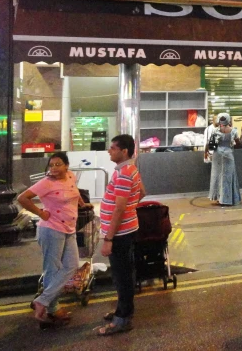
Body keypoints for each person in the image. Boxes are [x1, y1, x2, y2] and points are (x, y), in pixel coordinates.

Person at [18, 152, 89, 325]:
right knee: (52, 269)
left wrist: (82, 203)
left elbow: (74, 190)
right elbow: (22, 198)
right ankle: (52, 308)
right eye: (51, 165)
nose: (54, 168)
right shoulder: (46, 183)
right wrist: (41, 213)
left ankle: (42, 300)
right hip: (51, 230)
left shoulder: (70, 176)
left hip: (69, 229)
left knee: (71, 266)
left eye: (58, 164)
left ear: (66, 166)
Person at [98, 134, 146, 336]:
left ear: (124, 151)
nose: (109, 151)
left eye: (113, 148)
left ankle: (122, 319)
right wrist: (130, 210)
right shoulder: (128, 169)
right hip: (125, 229)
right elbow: (142, 192)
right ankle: (122, 311)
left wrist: (108, 238)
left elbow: (118, 208)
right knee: (123, 275)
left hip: (120, 233)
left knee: (122, 276)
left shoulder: (125, 172)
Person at [212, 113, 242, 206]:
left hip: (218, 155)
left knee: (218, 176)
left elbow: (211, 144)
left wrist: (206, 152)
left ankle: (219, 198)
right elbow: (238, 144)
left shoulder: (216, 131)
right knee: (229, 177)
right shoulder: (233, 131)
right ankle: (229, 199)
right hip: (229, 155)